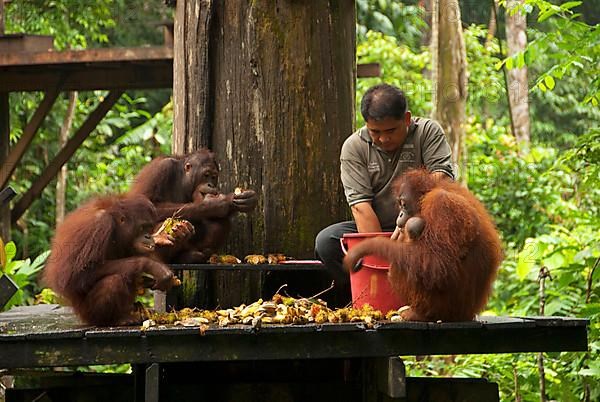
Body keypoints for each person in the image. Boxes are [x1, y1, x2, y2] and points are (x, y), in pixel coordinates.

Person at [314, 83, 455, 305]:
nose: (383, 139)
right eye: (375, 132)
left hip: (422, 226)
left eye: (391, 131)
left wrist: (409, 219)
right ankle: (366, 296)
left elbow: (442, 180)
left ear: (407, 119)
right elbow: (360, 207)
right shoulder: (354, 147)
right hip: (377, 230)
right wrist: (381, 253)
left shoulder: (427, 132)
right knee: (327, 242)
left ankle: (436, 302)